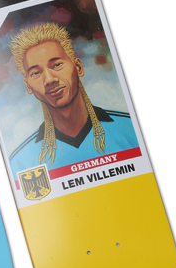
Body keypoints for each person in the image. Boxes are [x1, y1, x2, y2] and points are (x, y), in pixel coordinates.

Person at [8, 22, 137, 173]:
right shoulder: (20, 162)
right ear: (28, 85)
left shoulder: (131, 129)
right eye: (36, 73)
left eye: (57, 65)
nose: (49, 79)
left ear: (78, 67)